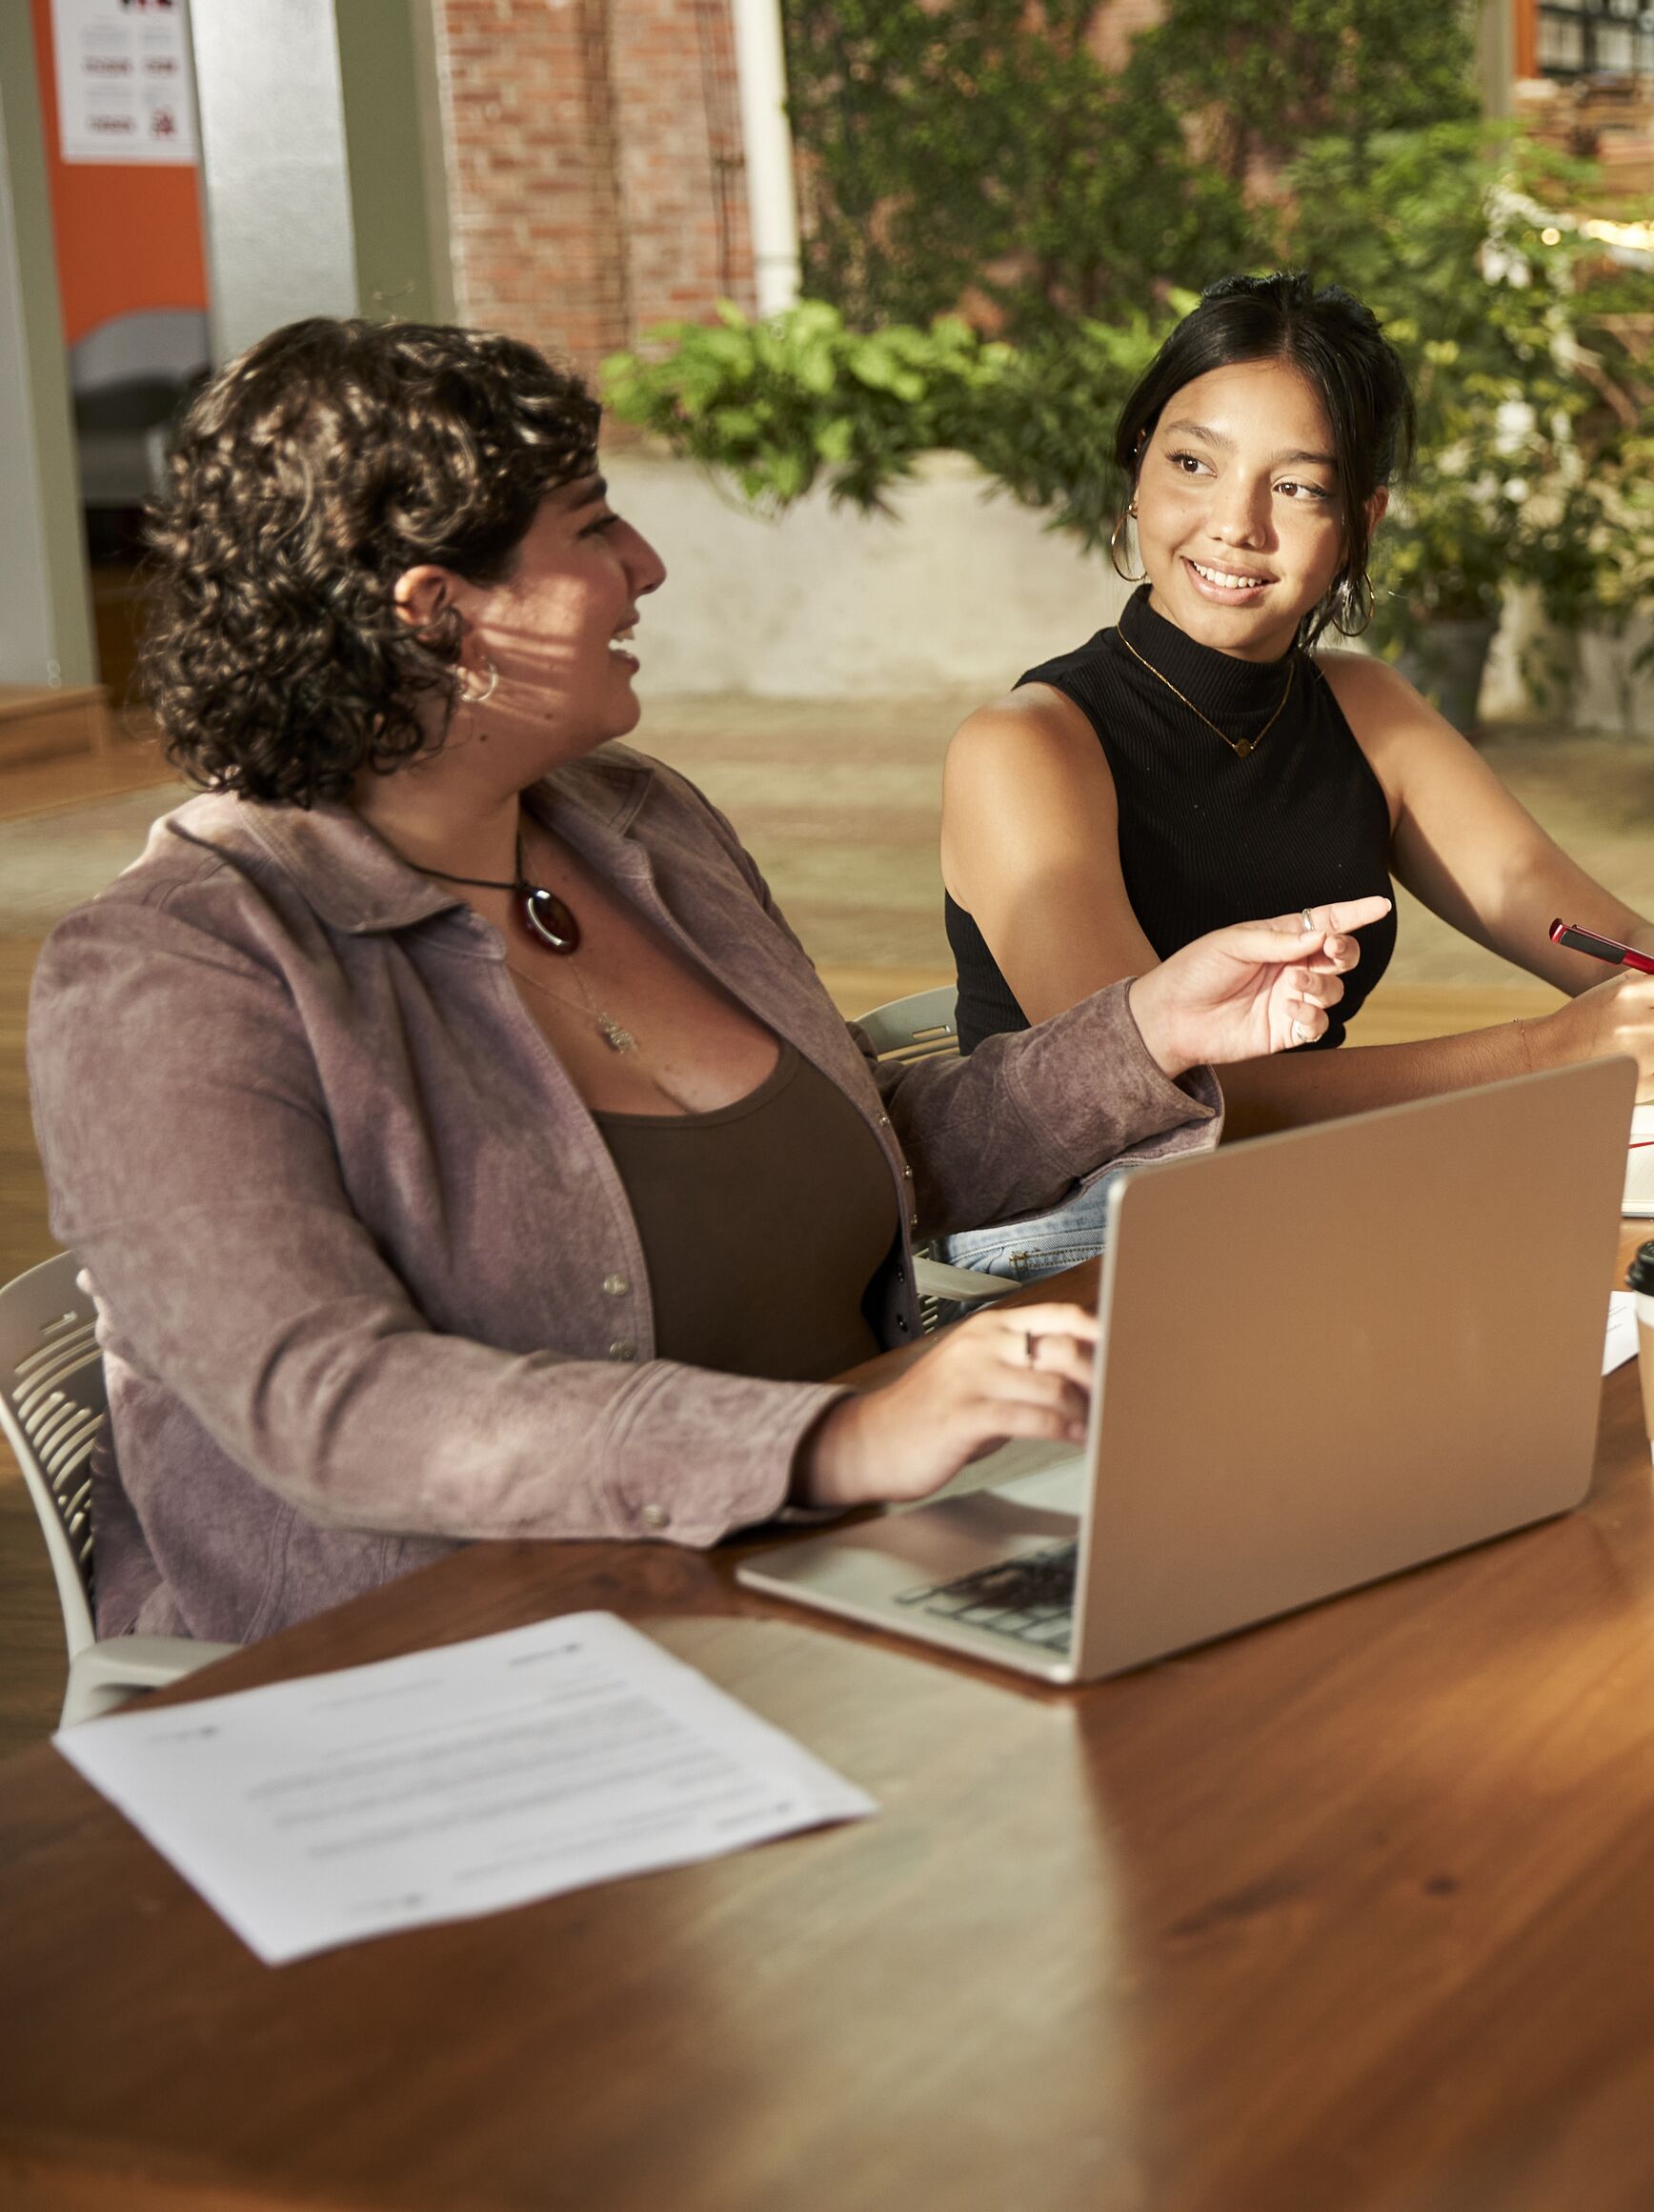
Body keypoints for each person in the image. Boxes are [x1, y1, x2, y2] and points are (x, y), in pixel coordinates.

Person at [28, 319, 1386, 1648]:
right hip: (442, 1668)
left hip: (812, 1585)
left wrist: (1150, 1028)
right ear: (439, 617)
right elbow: (335, 1402)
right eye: (592, 528)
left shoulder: (639, 829)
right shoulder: (177, 969)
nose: (650, 565)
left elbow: (857, 1155)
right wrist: (839, 1436)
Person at [938, 272, 1654, 1275]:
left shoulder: (1364, 711)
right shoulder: (1026, 747)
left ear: (1359, 523)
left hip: (1291, 1199)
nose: (1235, 523)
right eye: (1193, 461)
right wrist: (1554, 1055)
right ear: (1137, 474)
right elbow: (1152, 1104)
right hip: (1072, 1249)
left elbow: (1605, 939)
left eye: (1296, 486)